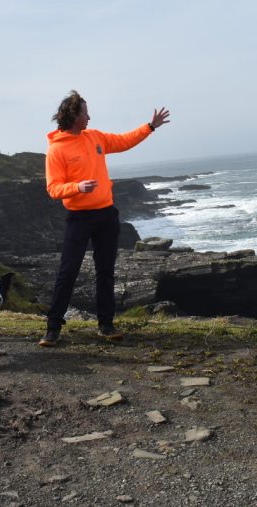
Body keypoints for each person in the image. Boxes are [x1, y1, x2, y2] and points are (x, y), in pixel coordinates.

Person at [40, 91, 170, 347]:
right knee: (68, 272)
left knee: (106, 271)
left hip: (106, 215)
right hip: (79, 218)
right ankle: (53, 327)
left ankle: (106, 325)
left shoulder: (95, 137)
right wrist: (77, 187)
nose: (89, 117)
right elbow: (53, 189)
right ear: (74, 116)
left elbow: (123, 141)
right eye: (85, 113)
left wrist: (150, 127)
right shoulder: (56, 150)